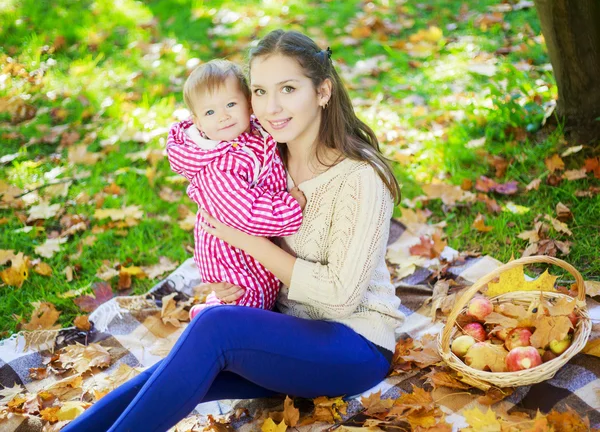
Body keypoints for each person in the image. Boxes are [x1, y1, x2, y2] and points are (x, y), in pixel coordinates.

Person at [62, 29, 404, 432]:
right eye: (259, 91)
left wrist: (244, 240)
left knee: (214, 328)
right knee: (173, 372)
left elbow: (340, 298)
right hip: (288, 331)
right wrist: (234, 280)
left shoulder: (359, 179)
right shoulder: (262, 153)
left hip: (354, 347)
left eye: (288, 89)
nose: (271, 107)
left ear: (323, 92)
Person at [165, 59, 304, 317]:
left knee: (268, 293)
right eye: (210, 112)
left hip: (251, 248)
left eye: (230, 104)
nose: (224, 116)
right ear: (197, 122)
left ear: (248, 104)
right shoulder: (217, 166)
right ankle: (210, 319)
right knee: (249, 303)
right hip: (231, 257)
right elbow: (246, 214)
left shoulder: (250, 135)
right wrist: (290, 207)